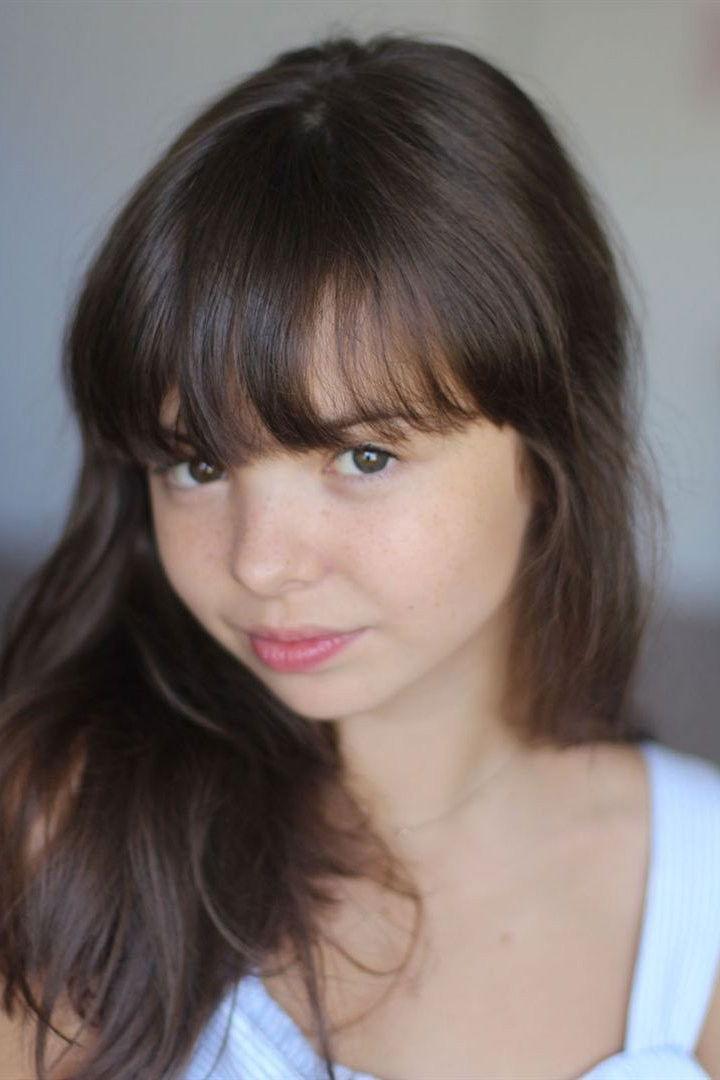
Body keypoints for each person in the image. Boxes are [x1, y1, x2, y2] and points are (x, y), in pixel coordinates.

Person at [1, 29, 718, 1080]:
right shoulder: (66, 833)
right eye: (197, 465)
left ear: (547, 452)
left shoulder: (698, 897)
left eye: (364, 456)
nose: (260, 565)